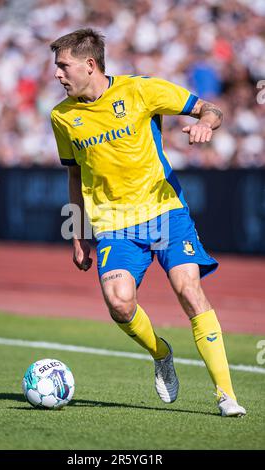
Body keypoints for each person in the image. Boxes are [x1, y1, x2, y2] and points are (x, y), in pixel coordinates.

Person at [50, 28, 246, 417]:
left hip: (164, 211)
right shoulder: (62, 116)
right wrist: (78, 232)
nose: (57, 75)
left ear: (90, 65)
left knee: (188, 290)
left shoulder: (141, 90)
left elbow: (212, 108)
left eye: (63, 66)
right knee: (119, 304)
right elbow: (75, 175)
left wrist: (206, 123)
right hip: (114, 224)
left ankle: (226, 395)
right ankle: (161, 353)